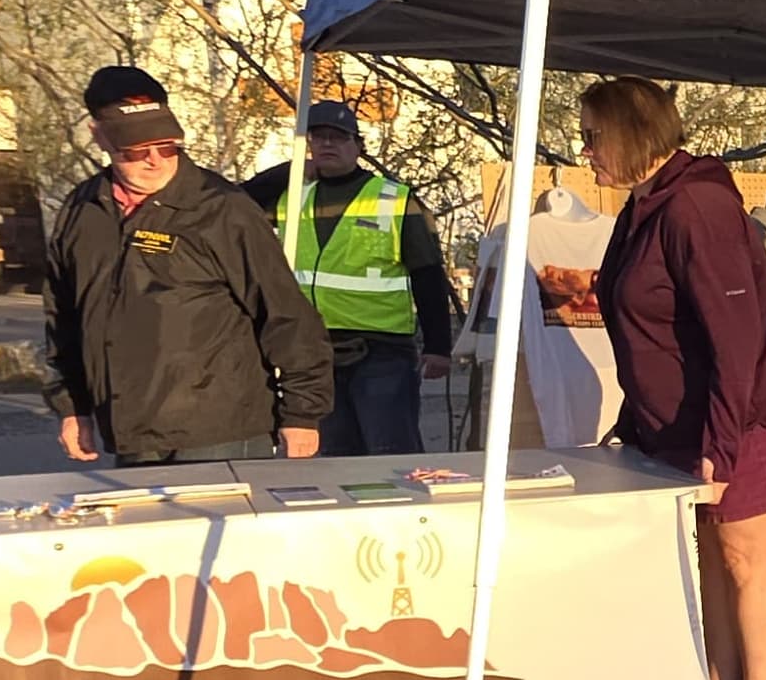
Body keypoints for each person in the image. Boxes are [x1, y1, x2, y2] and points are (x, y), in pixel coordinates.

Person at [581, 77, 766, 680]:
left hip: (750, 419)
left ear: (632, 132)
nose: (586, 150)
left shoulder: (697, 207)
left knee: (748, 560)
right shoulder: (645, 207)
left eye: (594, 135)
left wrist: (722, 442)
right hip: (689, 424)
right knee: (712, 560)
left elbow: (737, 335)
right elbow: (650, 333)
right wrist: (637, 418)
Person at [44, 89, 331, 465]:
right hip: (131, 428)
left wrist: (302, 413)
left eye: (167, 147)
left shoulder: (222, 209)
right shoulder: (83, 210)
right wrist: (72, 406)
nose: (154, 161)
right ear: (103, 142)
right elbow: (64, 318)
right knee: (151, 526)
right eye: (135, 151)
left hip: (220, 429)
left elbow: (285, 313)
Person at [241, 97, 457, 456]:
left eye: (338, 137)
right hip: (311, 350)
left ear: (358, 146)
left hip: (381, 350)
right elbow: (232, 203)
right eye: (319, 136)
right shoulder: (291, 194)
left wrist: (438, 346)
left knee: (390, 454)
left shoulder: (393, 199)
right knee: (333, 459)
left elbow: (428, 274)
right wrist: (287, 171)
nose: (328, 144)